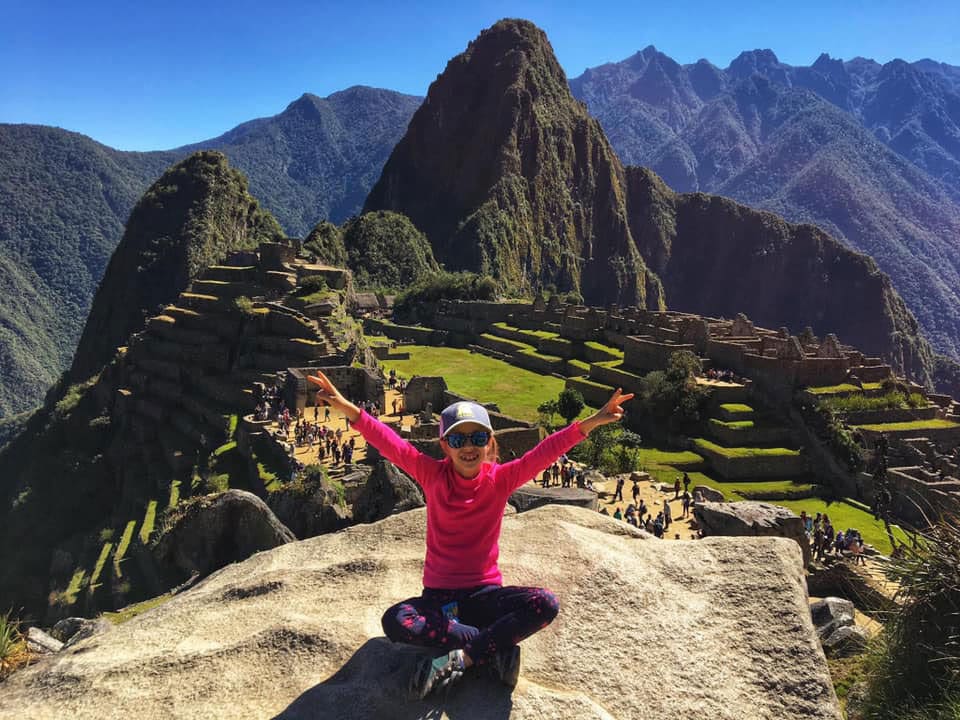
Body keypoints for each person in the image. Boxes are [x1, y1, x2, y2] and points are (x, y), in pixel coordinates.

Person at [308, 371, 633, 699]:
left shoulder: (502, 479)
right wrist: (348, 407)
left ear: (489, 443)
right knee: (395, 620)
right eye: (458, 439)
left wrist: (592, 421)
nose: (468, 447)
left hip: (485, 597)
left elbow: (546, 451)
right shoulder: (431, 475)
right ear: (444, 445)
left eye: (478, 439)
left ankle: (463, 657)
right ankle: (493, 645)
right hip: (440, 602)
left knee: (545, 603)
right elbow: (391, 444)